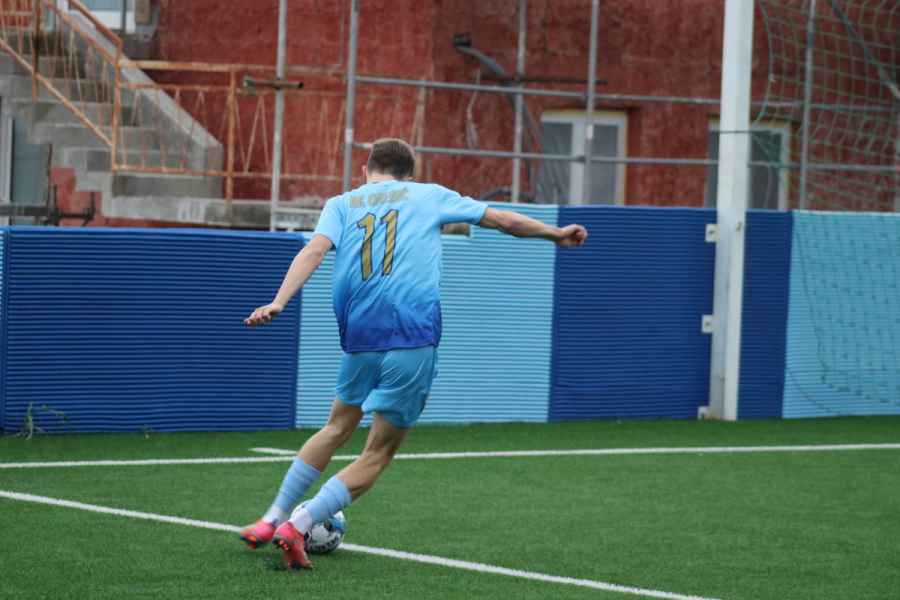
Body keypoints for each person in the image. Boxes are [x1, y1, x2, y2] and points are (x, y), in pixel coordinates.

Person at [239, 138, 588, 569]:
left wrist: (278, 301)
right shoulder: (429, 195)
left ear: (366, 169)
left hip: (359, 339)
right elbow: (500, 219)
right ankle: (300, 524)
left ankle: (272, 518)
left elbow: (313, 250)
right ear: (410, 173)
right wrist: (555, 234)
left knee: (336, 427)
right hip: (411, 339)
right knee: (377, 453)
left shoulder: (341, 204)